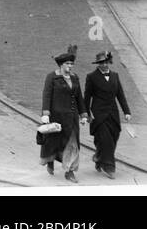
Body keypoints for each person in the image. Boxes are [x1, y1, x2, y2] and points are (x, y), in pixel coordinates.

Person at [40, 45, 88, 182]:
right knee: (53, 143)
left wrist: (83, 114)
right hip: (56, 117)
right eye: (67, 64)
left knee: (73, 144)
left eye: (72, 64)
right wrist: (45, 113)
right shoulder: (52, 77)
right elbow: (46, 95)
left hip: (72, 118)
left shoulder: (75, 78)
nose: (70, 66)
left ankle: (70, 171)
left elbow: (79, 97)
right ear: (61, 65)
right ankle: (50, 161)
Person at [84, 51, 132, 179]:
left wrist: (127, 111)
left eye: (106, 62)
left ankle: (99, 157)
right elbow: (87, 97)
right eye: (101, 63)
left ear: (109, 62)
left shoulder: (115, 76)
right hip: (98, 114)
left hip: (113, 113)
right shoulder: (91, 77)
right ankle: (109, 166)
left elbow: (120, 95)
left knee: (114, 137)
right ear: (98, 64)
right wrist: (86, 113)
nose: (104, 65)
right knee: (106, 140)